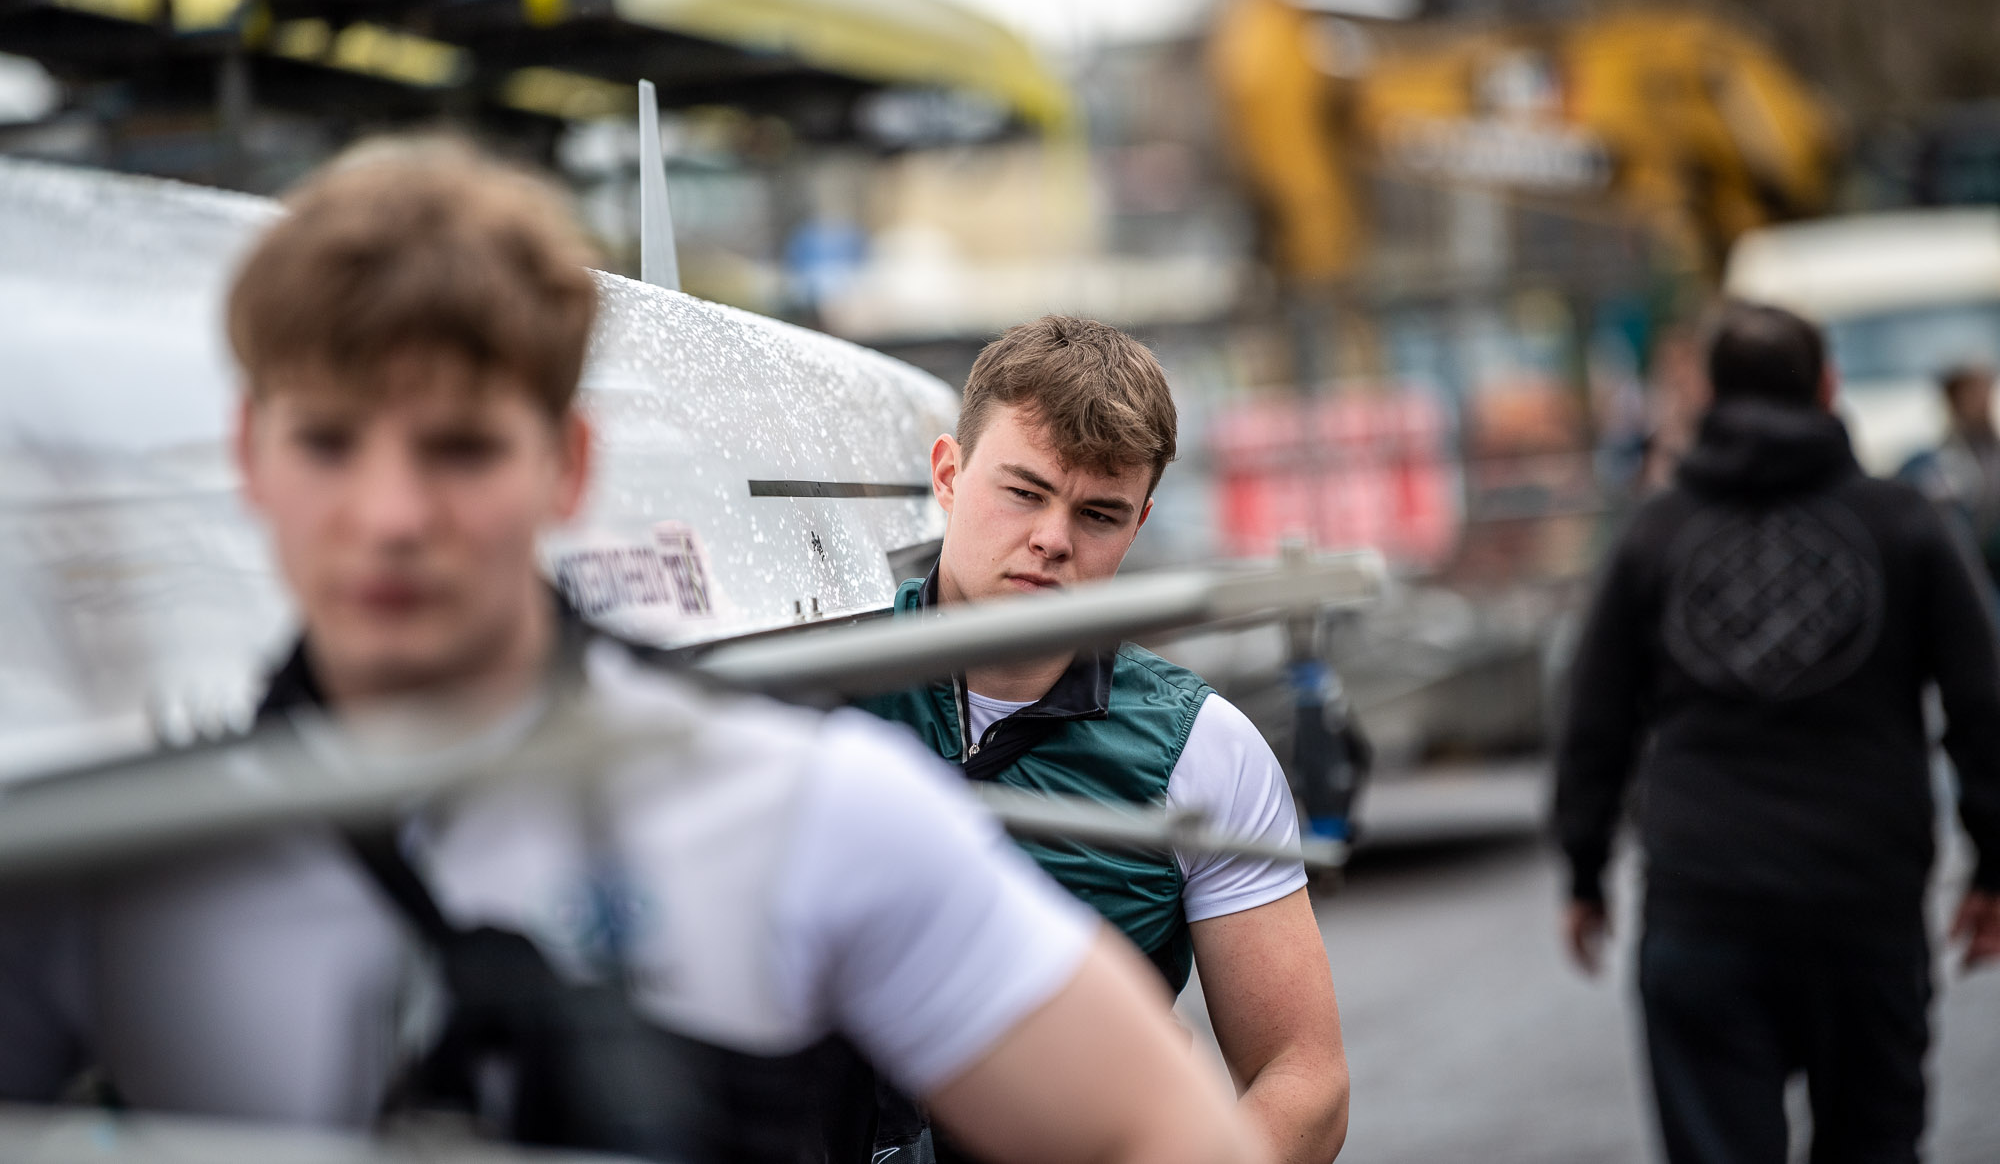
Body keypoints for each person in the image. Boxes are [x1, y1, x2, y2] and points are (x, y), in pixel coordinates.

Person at [0, 147, 1266, 1164]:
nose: (389, 515)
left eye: (457, 450)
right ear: (251, 461)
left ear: (567, 468)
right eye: (329, 443)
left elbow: (1163, 1129)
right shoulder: (102, 867)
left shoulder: (805, 809)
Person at [861, 316, 1349, 1164]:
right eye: (1023, 491)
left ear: (1139, 523)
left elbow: (1303, 1077)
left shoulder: (1202, 750)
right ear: (948, 472)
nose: (1053, 539)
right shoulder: (808, 699)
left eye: (1097, 513)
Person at [1555, 301, 2000, 1164]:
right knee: (1874, 1142)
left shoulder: (1656, 532)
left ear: (1707, 396)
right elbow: (1982, 704)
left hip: (1703, 897)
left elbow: (1595, 715)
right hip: (1865, 898)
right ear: (1829, 386)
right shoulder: (1905, 522)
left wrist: (1584, 867)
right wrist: (1994, 860)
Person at [1898, 363, 2000, 591]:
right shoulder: (1935, 462)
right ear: (1954, 400)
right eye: (1973, 393)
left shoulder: (1992, 450)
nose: (1982, 401)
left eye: (1985, 391)